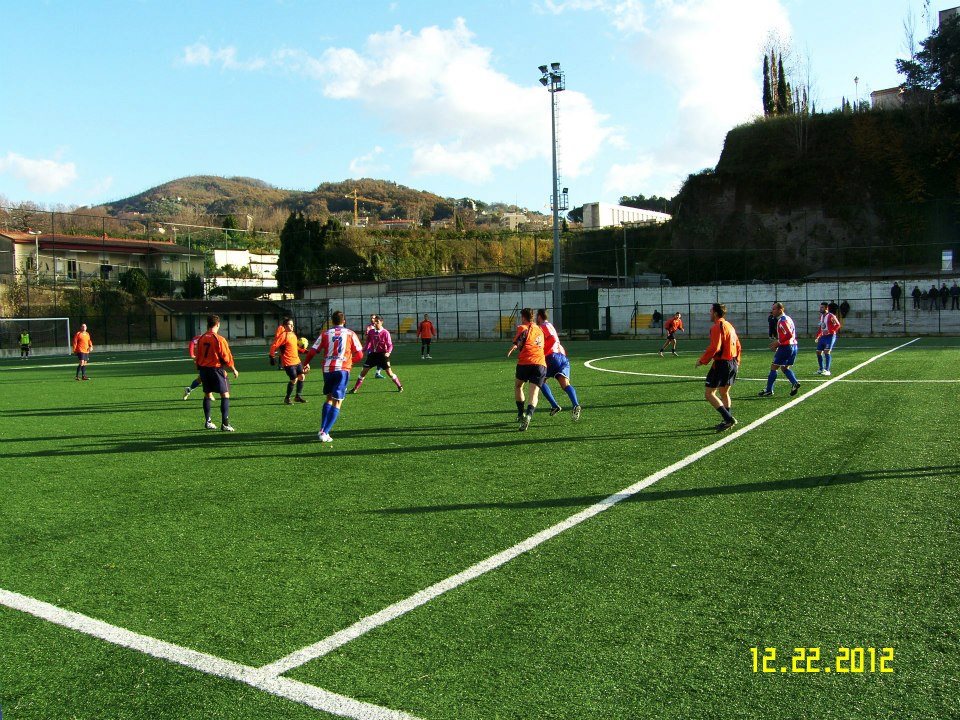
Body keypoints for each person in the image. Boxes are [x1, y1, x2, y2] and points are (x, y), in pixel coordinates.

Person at [303, 310, 363, 443]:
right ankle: (325, 432)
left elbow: (313, 351)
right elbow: (359, 355)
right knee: (338, 401)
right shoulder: (350, 333)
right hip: (342, 370)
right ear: (344, 321)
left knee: (329, 398)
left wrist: (305, 364)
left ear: (332, 321)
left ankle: (322, 429)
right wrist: (349, 362)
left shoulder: (325, 333)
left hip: (327, 370)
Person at [696, 303, 741, 432]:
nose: (709, 314)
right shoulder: (729, 325)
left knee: (709, 393)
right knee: (724, 392)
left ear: (715, 313)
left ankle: (728, 419)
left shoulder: (717, 326)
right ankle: (727, 420)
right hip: (732, 362)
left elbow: (715, 347)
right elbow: (738, 345)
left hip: (722, 364)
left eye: (710, 311)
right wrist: (737, 361)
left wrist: (702, 360)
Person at [195, 314, 239, 431]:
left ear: (207, 324)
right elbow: (226, 356)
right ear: (218, 324)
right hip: (216, 370)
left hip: (204, 369)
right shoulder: (219, 339)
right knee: (225, 394)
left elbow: (197, 355)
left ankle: (208, 421)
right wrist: (233, 368)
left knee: (207, 394)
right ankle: (225, 424)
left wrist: (200, 369)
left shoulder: (201, 338)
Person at [536, 308, 582, 421]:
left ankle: (554, 405)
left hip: (552, 357)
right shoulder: (550, 325)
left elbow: (551, 339)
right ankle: (576, 405)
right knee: (565, 384)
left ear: (539, 317)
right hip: (562, 357)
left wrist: (543, 352)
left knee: (540, 381)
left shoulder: (542, 326)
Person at [506, 308, 547, 432]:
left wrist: (514, 346)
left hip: (525, 363)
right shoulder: (540, 329)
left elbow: (520, 339)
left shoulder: (522, 327)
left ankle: (520, 414)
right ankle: (529, 415)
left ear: (523, 317)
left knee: (518, 386)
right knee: (534, 393)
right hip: (540, 363)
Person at [350, 315, 403, 394]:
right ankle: (355, 389)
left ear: (381, 322)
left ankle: (399, 386)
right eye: (375, 322)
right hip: (372, 355)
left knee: (389, 373)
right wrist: (362, 350)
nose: (375, 324)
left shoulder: (385, 333)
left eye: (377, 322)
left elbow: (390, 345)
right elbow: (368, 343)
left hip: (382, 355)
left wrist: (388, 352)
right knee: (363, 372)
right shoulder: (371, 332)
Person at [759, 302, 800, 398]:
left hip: (786, 347)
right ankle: (794, 383)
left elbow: (788, 334)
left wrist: (778, 343)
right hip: (793, 346)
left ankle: (769, 390)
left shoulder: (782, 321)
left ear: (780, 310)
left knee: (774, 367)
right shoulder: (788, 318)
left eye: (774, 309)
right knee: (784, 368)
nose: (772, 311)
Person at [270, 317, 308, 405]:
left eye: (292, 325)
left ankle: (298, 396)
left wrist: (304, 351)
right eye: (290, 325)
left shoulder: (293, 334)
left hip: (297, 361)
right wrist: (272, 356)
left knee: (302, 377)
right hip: (288, 363)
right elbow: (274, 346)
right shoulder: (283, 335)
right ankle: (287, 398)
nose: (292, 326)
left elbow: (295, 347)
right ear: (285, 326)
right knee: (294, 380)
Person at [815, 301, 842, 376]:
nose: (820, 309)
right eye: (820, 307)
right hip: (823, 337)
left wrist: (830, 331)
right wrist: (818, 335)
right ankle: (821, 369)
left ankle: (827, 370)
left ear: (826, 308)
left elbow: (838, 325)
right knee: (818, 352)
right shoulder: (821, 317)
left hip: (830, 336)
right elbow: (821, 327)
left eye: (822, 307)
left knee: (827, 351)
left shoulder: (831, 316)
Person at [182, 332, 202, 399]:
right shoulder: (200, 337)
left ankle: (189, 390)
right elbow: (192, 343)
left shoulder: (214, 337)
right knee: (205, 377)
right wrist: (192, 355)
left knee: (201, 378)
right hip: (202, 362)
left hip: (209, 361)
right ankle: (209, 395)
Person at [364, 313, 385, 378]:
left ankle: (377, 373)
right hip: (371, 348)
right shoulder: (369, 327)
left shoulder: (380, 326)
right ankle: (363, 372)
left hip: (379, 348)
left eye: (373, 318)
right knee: (369, 362)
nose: (372, 319)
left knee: (381, 360)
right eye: (371, 318)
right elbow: (367, 337)